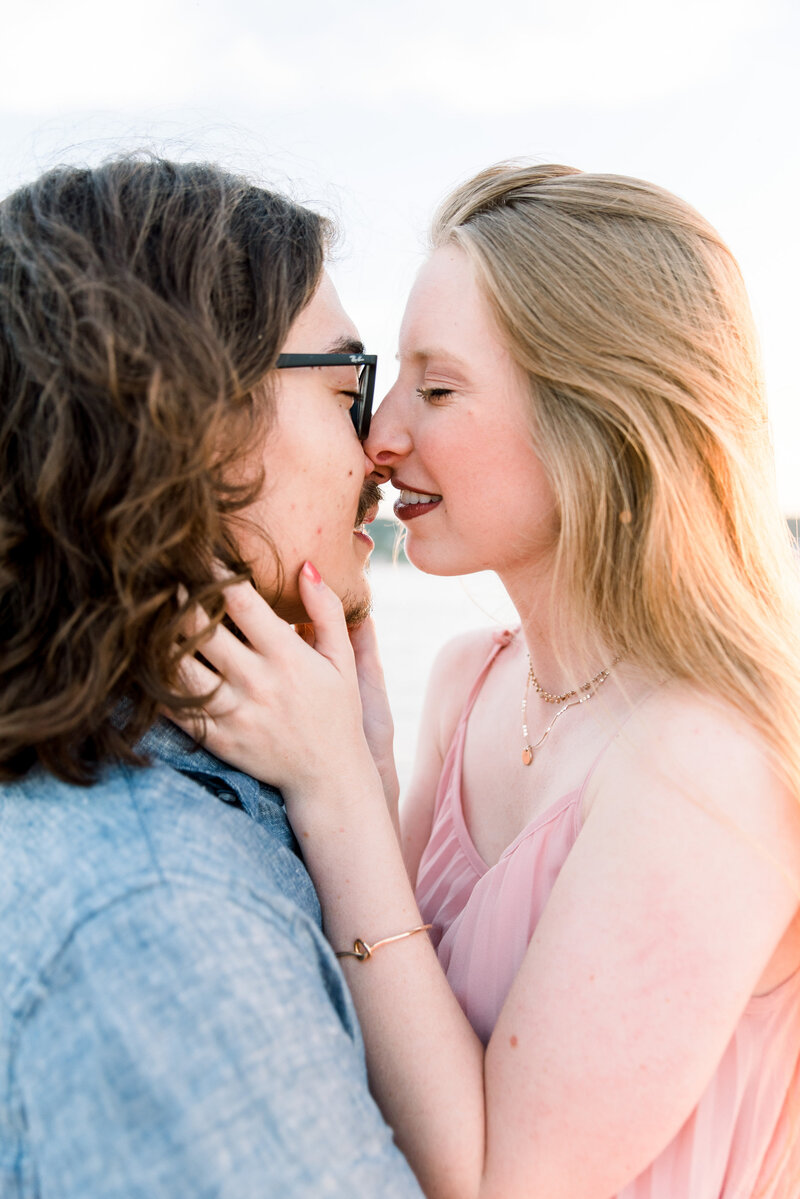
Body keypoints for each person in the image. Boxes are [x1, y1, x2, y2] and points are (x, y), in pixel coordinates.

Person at [180, 163, 800, 1198]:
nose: (379, 440)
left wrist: (335, 786)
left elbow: (496, 1181)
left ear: (593, 420)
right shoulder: (470, 681)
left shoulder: (707, 758)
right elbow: (389, 1016)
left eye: (435, 388)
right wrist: (370, 772)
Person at [0, 156, 423, 1197]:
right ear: (189, 420)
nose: (380, 447)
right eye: (345, 385)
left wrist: (357, 797)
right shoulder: (161, 920)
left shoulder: (141, 808)